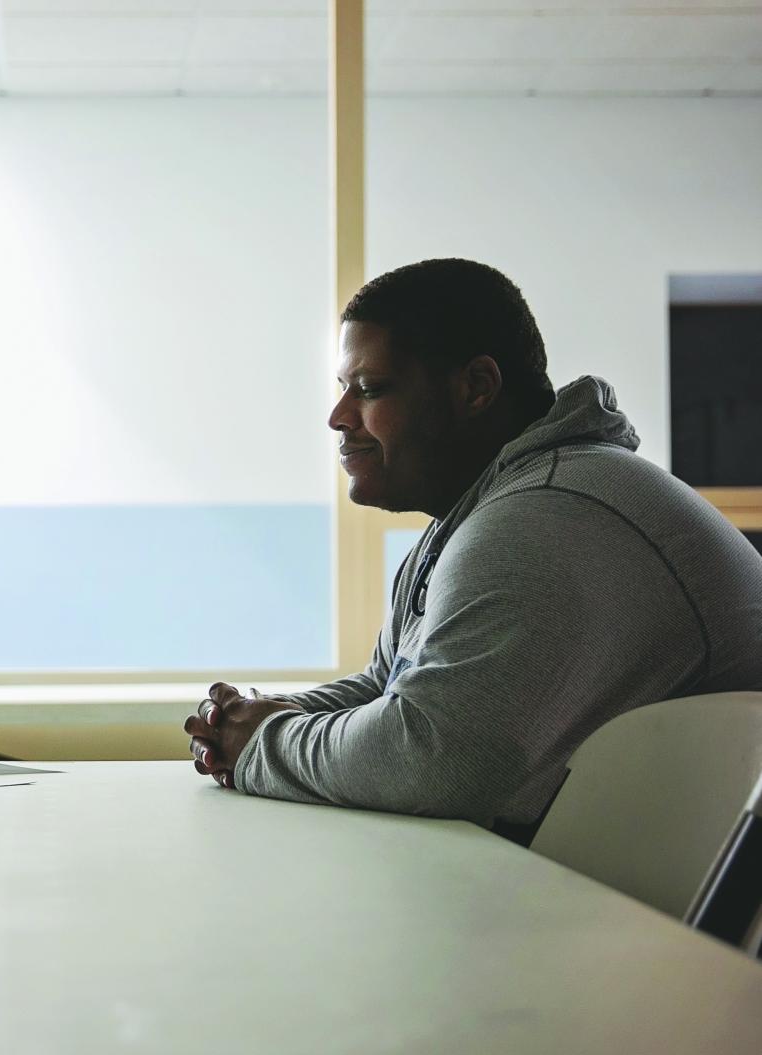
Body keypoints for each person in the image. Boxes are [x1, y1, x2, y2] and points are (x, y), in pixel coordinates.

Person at [184, 258, 762, 844]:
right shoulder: (480, 513)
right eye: (343, 390)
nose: (337, 418)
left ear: (477, 388)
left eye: (370, 389)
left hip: (683, 926)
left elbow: (431, 760)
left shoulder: (545, 516)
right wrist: (256, 718)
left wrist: (260, 744)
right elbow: (388, 686)